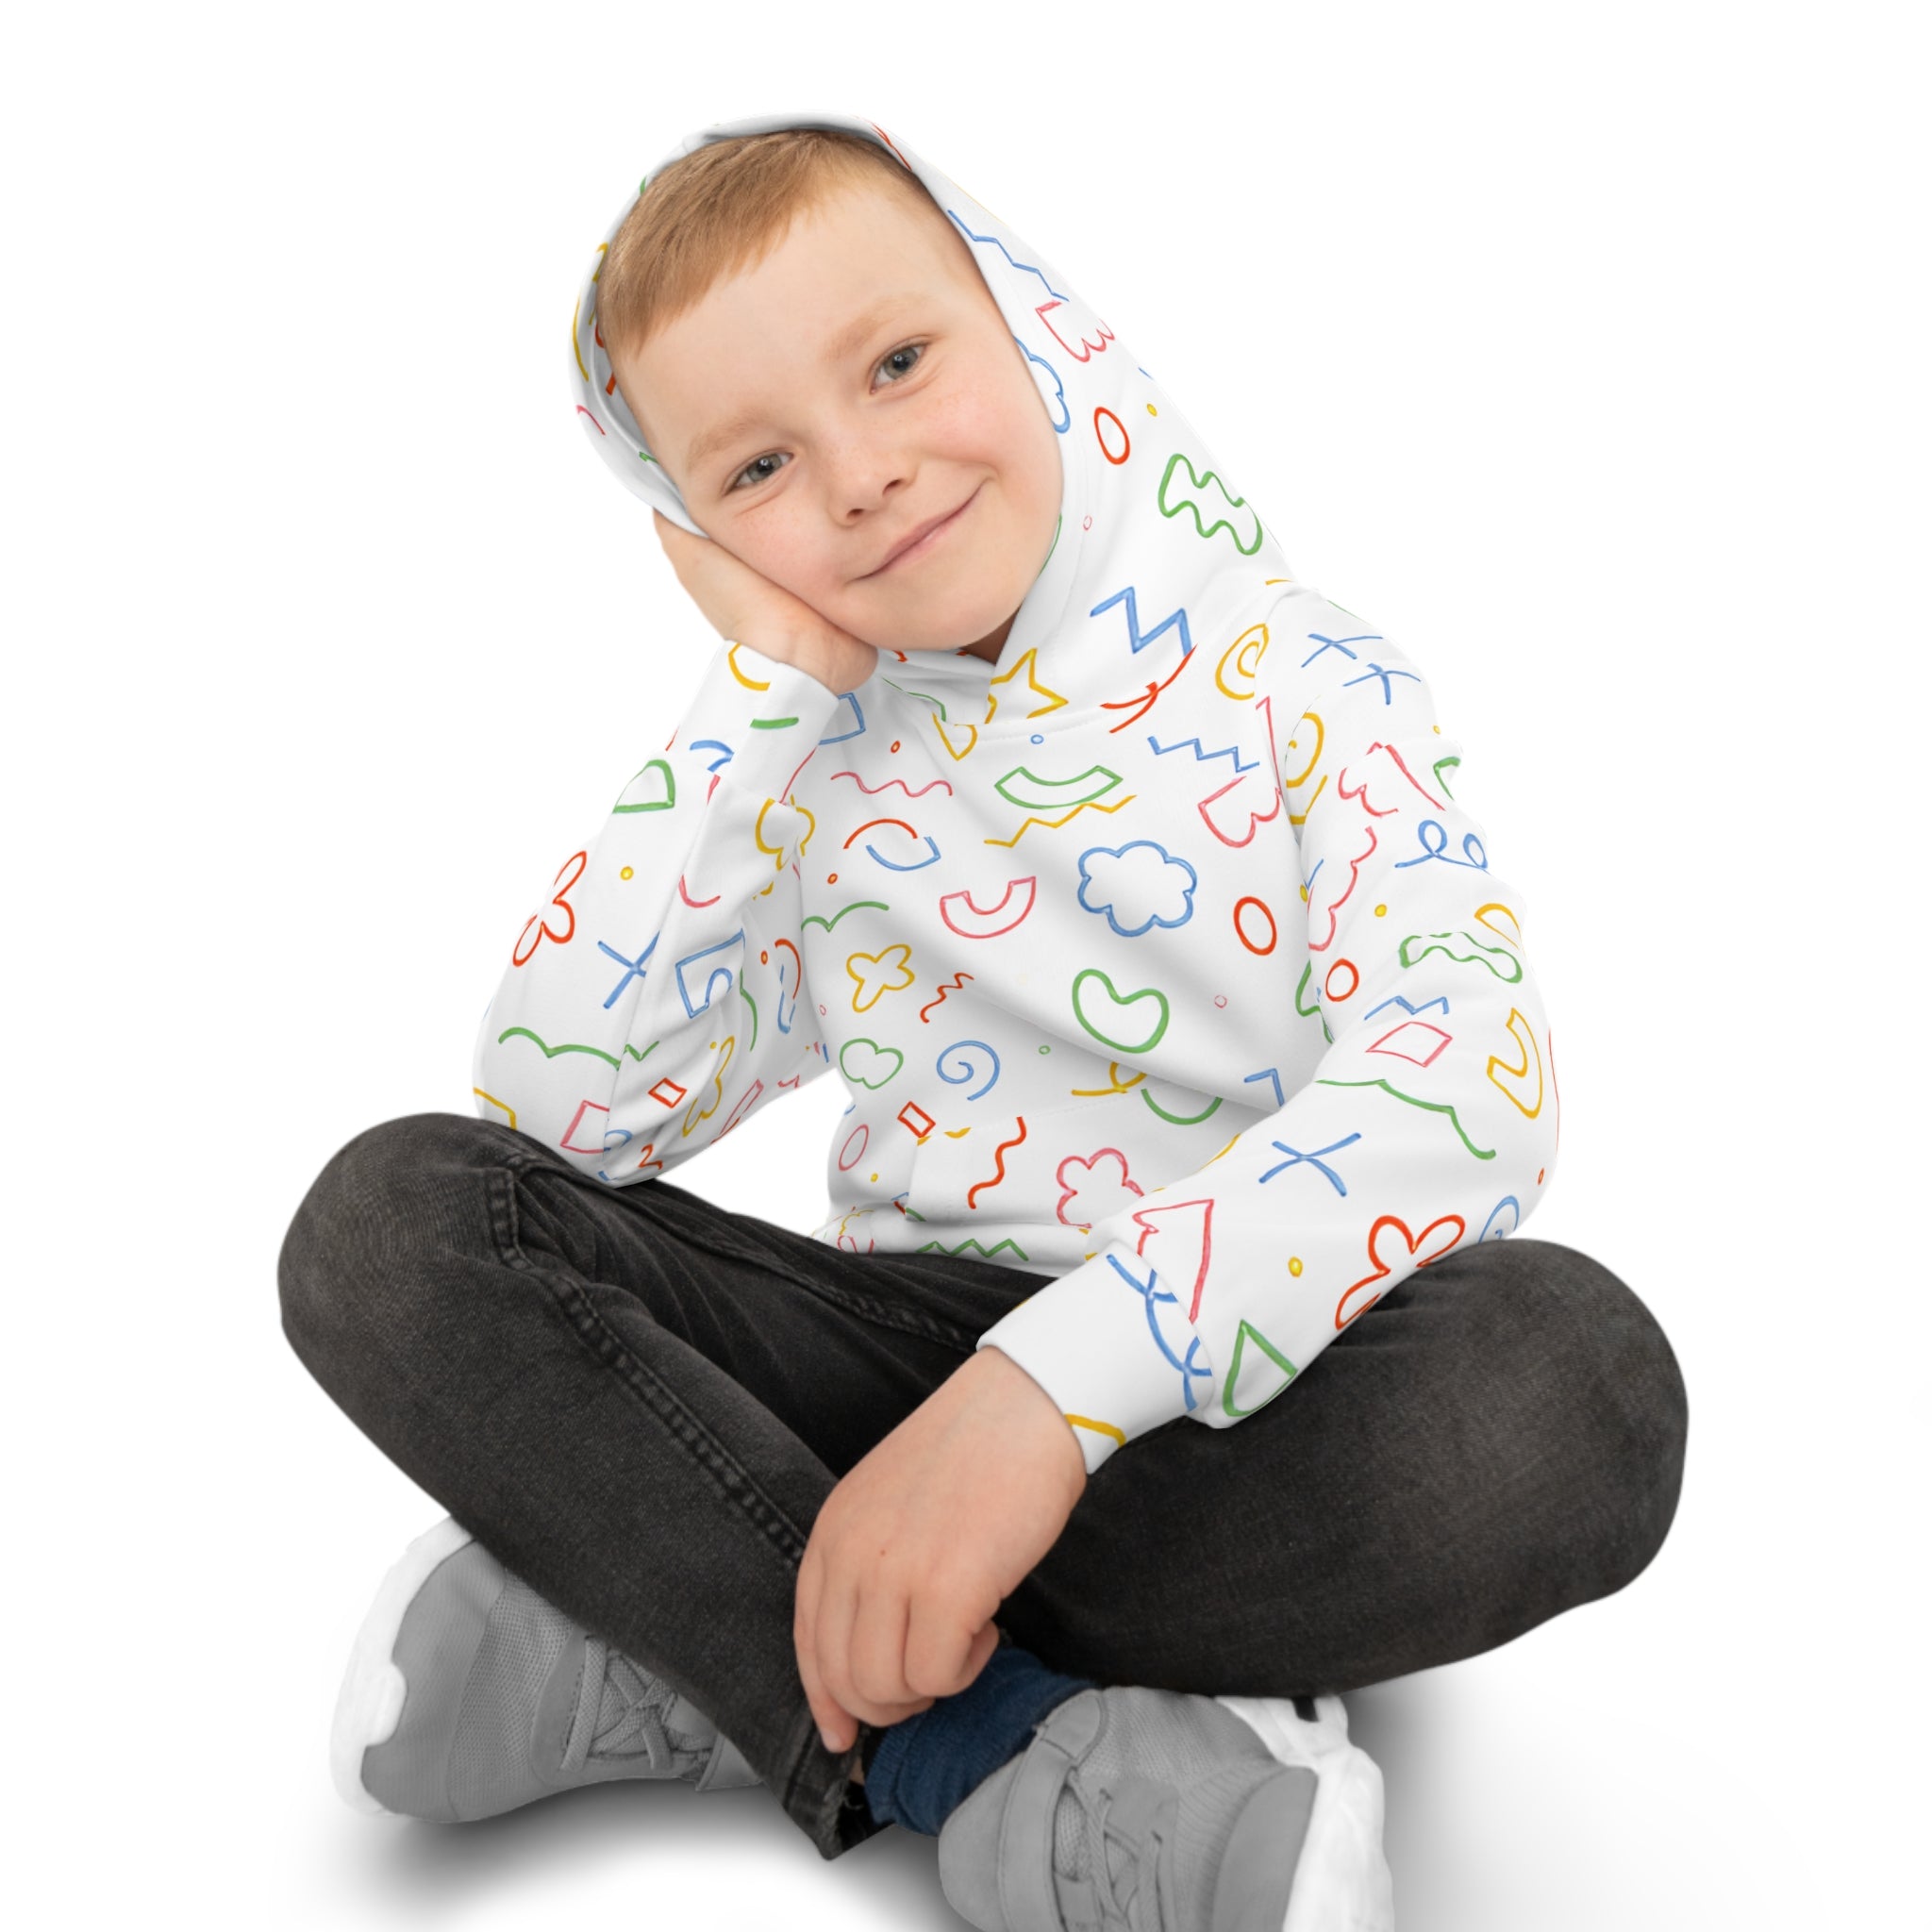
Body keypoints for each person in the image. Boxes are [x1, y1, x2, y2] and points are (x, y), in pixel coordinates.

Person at [277, 110, 1689, 1930]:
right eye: (761, 465)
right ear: (695, 529)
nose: (864, 476)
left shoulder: (1303, 675)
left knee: (1577, 1388)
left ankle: (700, 1612)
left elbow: (1468, 1081)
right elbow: (562, 1114)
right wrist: (764, 690)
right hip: (897, 1372)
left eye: (896, 363)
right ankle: (996, 1750)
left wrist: (1048, 1400)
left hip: (1238, 1402)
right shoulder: (814, 775)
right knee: (394, 1220)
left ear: (1034, 325)